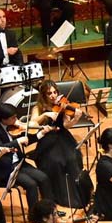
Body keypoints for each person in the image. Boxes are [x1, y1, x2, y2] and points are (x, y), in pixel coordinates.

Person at [31, 81, 92, 209]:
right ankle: (62, 196)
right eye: (49, 93)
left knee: (74, 157)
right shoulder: (38, 108)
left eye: (55, 92)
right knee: (56, 161)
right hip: (47, 140)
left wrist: (75, 118)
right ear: (43, 95)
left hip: (63, 137)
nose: (53, 96)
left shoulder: (62, 105)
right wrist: (46, 114)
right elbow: (33, 123)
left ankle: (80, 194)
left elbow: (66, 125)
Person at [0, 103, 53, 210]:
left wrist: (42, 133)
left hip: (19, 163)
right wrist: (17, 141)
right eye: (13, 118)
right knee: (31, 185)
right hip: (5, 168)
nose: (16, 120)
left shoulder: (15, 127)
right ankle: (34, 214)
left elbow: (27, 141)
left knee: (44, 178)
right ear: (4, 119)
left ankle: (50, 210)